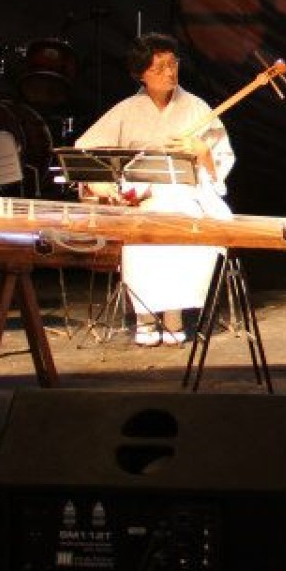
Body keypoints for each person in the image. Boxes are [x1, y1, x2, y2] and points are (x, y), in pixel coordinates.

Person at [73, 32, 235, 346]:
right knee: (142, 233)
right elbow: (86, 151)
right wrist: (105, 186)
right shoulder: (126, 110)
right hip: (141, 198)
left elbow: (219, 164)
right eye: (159, 67)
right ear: (140, 73)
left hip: (187, 194)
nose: (170, 72)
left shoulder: (197, 108)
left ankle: (174, 315)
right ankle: (145, 317)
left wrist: (201, 152)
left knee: (177, 221)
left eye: (173, 64)